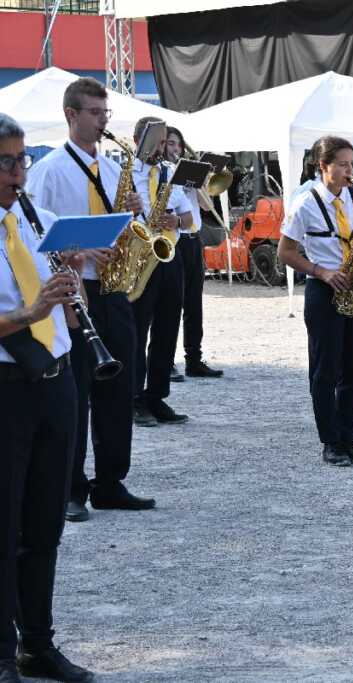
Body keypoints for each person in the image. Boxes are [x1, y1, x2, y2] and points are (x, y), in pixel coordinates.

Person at [24, 77, 155, 519]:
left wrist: (134, 209)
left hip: (115, 286)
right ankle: (71, 489)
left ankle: (111, 481)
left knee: (119, 384)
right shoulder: (49, 171)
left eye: (105, 114)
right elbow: (34, 239)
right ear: (71, 115)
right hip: (74, 291)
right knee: (76, 389)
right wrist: (76, 253)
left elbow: (128, 226)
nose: (103, 122)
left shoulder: (116, 169)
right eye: (95, 114)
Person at [0, 112, 95, 682]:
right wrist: (30, 312)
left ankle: (38, 641)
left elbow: (63, 292)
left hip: (54, 380)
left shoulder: (40, 222)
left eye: (21, 160)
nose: (18, 174)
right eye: (7, 163)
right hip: (5, 388)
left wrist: (72, 285)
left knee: (43, 523)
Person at [277, 136, 353, 467]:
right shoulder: (304, 202)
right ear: (323, 166)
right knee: (325, 370)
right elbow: (285, 252)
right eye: (343, 164)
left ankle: (349, 436)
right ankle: (330, 440)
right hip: (324, 290)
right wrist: (320, 271)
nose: (351, 171)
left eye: (352, 164)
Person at [129, 117, 194, 427]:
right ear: (137, 140)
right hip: (139, 258)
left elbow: (190, 217)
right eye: (155, 140)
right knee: (138, 330)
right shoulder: (124, 173)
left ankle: (156, 396)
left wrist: (176, 222)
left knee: (167, 329)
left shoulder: (169, 173)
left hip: (169, 255)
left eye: (164, 140)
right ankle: (134, 398)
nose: (161, 146)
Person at [163, 127, 223, 378]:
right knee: (170, 303)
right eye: (170, 144)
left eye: (178, 145)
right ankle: (166, 361)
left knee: (194, 302)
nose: (175, 149)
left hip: (192, 239)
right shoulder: (162, 172)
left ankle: (194, 358)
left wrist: (198, 183)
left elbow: (207, 206)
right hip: (172, 241)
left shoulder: (187, 173)